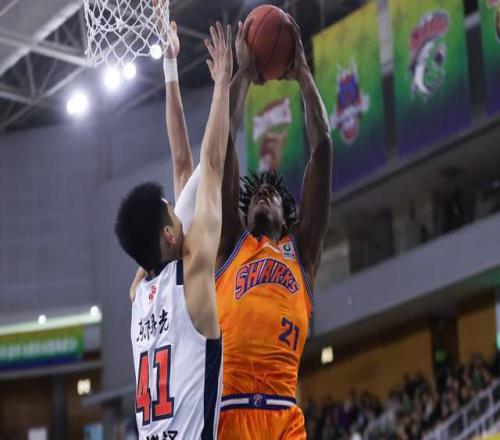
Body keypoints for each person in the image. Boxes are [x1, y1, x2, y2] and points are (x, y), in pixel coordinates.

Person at [215, 16, 332, 439]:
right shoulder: (230, 243)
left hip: (284, 415)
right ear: (243, 215)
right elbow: (223, 141)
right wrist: (245, 72)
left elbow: (322, 147)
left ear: (290, 218)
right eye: (256, 194)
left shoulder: (301, 252)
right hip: (230, 412)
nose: (263, 192)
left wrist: (303, 74)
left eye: (273, 194)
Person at [114, 22, 232, 439]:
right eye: (173, 211)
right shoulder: (193, 268)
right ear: (168, 234)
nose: (180, 210)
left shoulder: (138, 294)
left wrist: (170, 64)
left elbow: (184, 164)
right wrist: (224, 82)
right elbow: (211, 165)